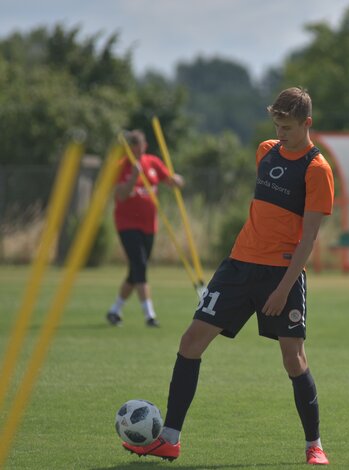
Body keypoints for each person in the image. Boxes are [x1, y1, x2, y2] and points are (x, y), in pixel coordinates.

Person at [122, 87, 334, 465]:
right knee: (190, 342)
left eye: (287, 126)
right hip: (237, 266)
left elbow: (309, 239)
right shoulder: (265, 150)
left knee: (293, 358)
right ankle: (169, 439)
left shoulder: (318, 170)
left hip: (281, 273)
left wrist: (284, 288)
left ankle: (313, 445)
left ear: (307, 123)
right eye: (276, 125)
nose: (281, 132)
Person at [106, 129, 184, 327]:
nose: (137, 152)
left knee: (135, 270)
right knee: (140, 266)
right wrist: (133, 176)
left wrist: (176, 181)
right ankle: (149, 315)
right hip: (127, 224)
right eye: (133, 148)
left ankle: (115, 311)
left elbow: (171, 181)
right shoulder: (120, 167)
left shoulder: (153, 162)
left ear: (144, 146)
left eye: (139, 148)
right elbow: (121, 195)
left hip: (149, 225)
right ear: (128, 148)